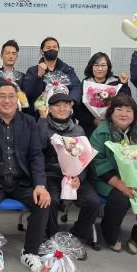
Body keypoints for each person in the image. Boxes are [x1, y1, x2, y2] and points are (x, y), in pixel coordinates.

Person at [0, 81, 51, 272]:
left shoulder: (29, 122)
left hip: (21, 180)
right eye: (2, 96)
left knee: (43, 201)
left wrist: (40, 185)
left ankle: (30, 251)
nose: (6, 100)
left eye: (11, 96)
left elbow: (36, 155)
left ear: (17, 99)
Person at [89, 94, 137, 253]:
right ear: (111, 112)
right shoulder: (100, 133)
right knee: (120, 199)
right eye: (119, 109)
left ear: (134, 113)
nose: (124, 114)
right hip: (109, 180)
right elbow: (97, 163)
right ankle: (110, 235)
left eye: (128, 110)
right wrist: (120, 184)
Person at [37, 93, 100, 249]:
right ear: (50, 108)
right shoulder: (43, 126)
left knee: (93, 202)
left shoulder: (78, 129)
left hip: (74, 175)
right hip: (51, 174)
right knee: (50, 200)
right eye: (57, 105)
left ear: (70, 108)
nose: (61, 109)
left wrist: (79, 177)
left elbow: (85, 157)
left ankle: (76, 234)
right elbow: (37, 151)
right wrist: (42, 121)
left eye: (65, 105)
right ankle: (53, 237)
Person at [22, 36, 82, 118]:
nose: (52, 49)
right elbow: (28, 93)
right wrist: (38, 75)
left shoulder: (67, 70)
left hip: (64, 116)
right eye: (48, 47)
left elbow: (76, 87)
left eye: (54, 47)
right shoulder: (32, 71)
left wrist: (70, 102)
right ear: (41, 51)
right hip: (39, 117)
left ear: (58, 50)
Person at [76, 52, 131, 136]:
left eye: (103, 65)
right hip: (89, 128)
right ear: (91, 67)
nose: (100, 68)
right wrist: (94, 121)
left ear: (108, 67)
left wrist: (124, 84)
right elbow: (78, 111)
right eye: (96, 65)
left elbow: (126, 102)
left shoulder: (116, 82)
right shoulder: (85, 84)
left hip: (113, 126)